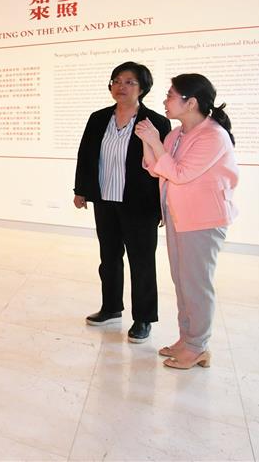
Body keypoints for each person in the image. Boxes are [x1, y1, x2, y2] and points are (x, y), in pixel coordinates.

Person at [135, 73, 238, 369]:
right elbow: (156, 168)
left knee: (196, 284)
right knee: (182, 281)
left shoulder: (213, 136)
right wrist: (147, 142)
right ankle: (187, 339)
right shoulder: (177, 134)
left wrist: (154, 141)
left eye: (170, 95)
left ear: (190, 102)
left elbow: (179, 174)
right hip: (178, 216)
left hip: (203, 220)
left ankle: (197, 346)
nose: (165, 101)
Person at [73, 61, 170, 342]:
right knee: (109, 258)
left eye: (129, 82)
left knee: (142, 262)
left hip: (140, 204)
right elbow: (86, 155)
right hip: (105, 199)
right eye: (116, 81)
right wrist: (81, 190)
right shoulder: (98, 118)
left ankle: (143, 318)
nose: (121, 86)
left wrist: (162, 206)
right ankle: (111, 307)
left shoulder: (155, 122)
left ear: (142, 88)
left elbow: (163, 165)